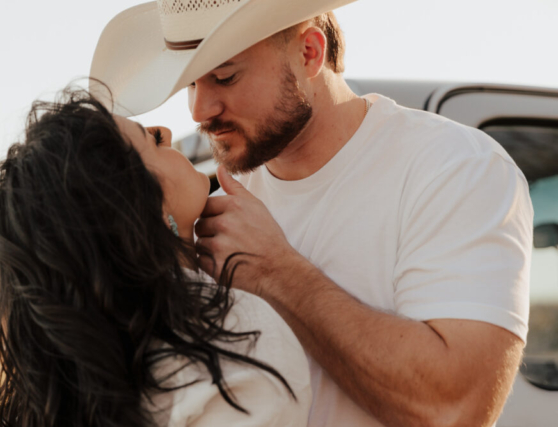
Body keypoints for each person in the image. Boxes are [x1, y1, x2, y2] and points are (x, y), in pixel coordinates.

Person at [90, 1, 533, 426]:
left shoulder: (453, 167)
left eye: (224, 77)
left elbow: (455, 411)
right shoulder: (203, 213)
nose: (198, 110)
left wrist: (279, 274)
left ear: (309, 52)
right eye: (190, 83)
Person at [0, 86, 312, 427]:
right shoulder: (242, 339)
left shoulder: (71, 377)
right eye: (152, 141)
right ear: (143, 207)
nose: (167, 131)